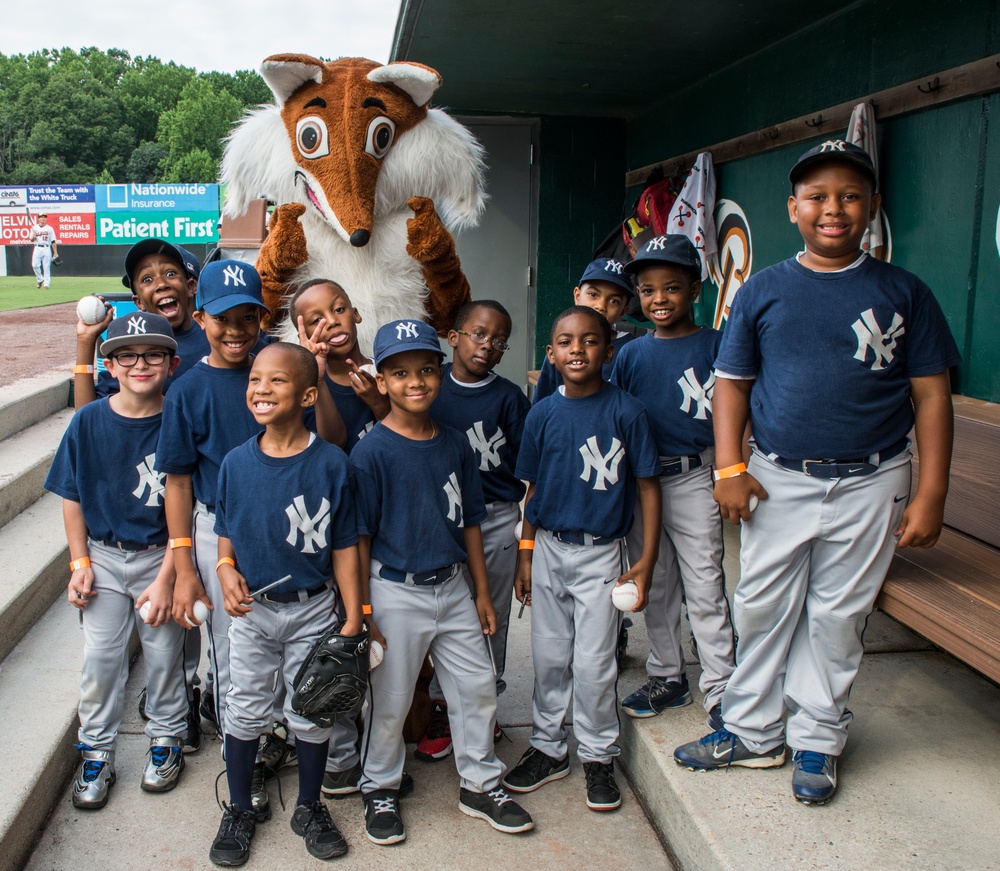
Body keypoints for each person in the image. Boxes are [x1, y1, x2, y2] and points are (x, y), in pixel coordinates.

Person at [673, 140, 961, 805]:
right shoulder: (765, 289)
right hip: (779, 475)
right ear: (794, 207)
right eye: (819, 197)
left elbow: (932, 394)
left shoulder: (903, 291)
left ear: (874, 209)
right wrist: (729, 466)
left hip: (873, 477)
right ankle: (750, 731)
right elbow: (731, 385)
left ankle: (818, 738)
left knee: (837, 614)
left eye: (851, 196)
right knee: (762, 604)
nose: (835, 209)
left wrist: (933, 491)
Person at [352, 318, 533, 844]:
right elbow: (359, 539)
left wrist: (481, 590)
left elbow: (471, 520)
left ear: (439, 372)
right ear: (381, 382)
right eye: (401, 372)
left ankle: (479, 782)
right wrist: (364, 612)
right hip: (395, 590)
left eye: (426, 369)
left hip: (453, 584)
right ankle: (379, 786)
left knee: (476, 688)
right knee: (390, 698)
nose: (416, 381)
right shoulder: (372, 451)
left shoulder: (454, 443)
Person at [208, 342, 363, 865]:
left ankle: (309, 805)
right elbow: (225, 535)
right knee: (246, 706)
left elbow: (345, 546)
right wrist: (225, 569)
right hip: (254, 608)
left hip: (314, 607)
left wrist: (355, 615)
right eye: (255, 379)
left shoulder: (331, 463)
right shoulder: (235, 462)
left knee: (313, 709)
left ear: (308, 394)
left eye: (277, 381)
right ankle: (239, 808)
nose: (261, 389)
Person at [503, 306, 661, 811]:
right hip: (549, 547)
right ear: (551, 354)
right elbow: (531, 489)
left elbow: (648, 489)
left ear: (608, 352)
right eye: (566, 342)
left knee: (594, 665)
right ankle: (550, 748)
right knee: (550, 657)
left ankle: (597, 754)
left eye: (590, 341)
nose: (577, 350)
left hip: (602, 555)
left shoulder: (627, 411)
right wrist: (525, 555)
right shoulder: (543, 412)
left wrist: (646, 560)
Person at [44, 312, 188, 808]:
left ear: (172, 363)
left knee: (165, 657)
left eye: (153, 354)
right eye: (127, 354)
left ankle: (167, 738)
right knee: (102, 661)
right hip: (104, 558)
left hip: (160, 559)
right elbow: (71, 495)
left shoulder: (179, 419)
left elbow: (185, 507)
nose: (140, 363)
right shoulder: (89, 419)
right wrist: (78, 563)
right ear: (110, 364)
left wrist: (171, 575)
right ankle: (97, 751)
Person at [612, 235, 736, 728]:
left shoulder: (718, 343)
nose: (658, 298)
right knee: (656, 583)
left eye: (671, 287)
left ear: (695, 288)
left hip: (694, 475)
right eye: (647, 289)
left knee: (704, 583)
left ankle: (723, 685)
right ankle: (668, 674)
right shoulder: (631, 355)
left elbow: (741, 410)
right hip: (644, 480)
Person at [285, 278, 388, 799]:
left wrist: (381, 404)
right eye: (316, 318)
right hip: (334, 533)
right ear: (301, 331)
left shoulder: (387, 368)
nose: (332, 322)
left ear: (358, 314)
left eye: (340, 309)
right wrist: (322, 377)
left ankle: (385, 742)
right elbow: (332, 440)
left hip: (386, 529)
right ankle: (341, 751)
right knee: (341, 640)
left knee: (384, 636)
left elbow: (408, 438)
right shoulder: (305, 380)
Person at [415, 300, 531, 760]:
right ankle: (443, 706)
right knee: (443, 616)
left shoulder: (507, 398)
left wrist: (525, 540)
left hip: (496, 515)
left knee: (489, 618)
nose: (488, 345)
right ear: (454, 335)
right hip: (438, 516)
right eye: (480, 334)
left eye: (499, 340)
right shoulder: (429, 384)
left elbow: (530, 471)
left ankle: (485, 706)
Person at [73, 240, 206, 410]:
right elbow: (88, 420)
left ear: (191, 286)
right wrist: (85, 340)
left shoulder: (214, 339)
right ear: (139, 302)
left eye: (171, 273)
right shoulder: (134, 347)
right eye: (147, 279)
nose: (161, 284)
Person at [532, 258, 635, 402]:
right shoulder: (562, 346)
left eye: (614, 301)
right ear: (577, 295)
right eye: (593, 294)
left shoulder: (632, 349)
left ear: (623, 311)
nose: (601, 306)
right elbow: (542, 405)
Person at [29, 213, 59, 289]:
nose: (43, 219)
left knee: (46, 267)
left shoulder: (49, 228)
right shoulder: (34, 228)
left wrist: (55, 252)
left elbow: (53, 241)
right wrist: (33, 236)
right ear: (38, 218)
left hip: (46, 247)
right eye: (41, 217)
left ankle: (46, 284)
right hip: (37, 247)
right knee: (35, 265)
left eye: (44, 217)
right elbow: (31, 240)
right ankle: (40, 279)